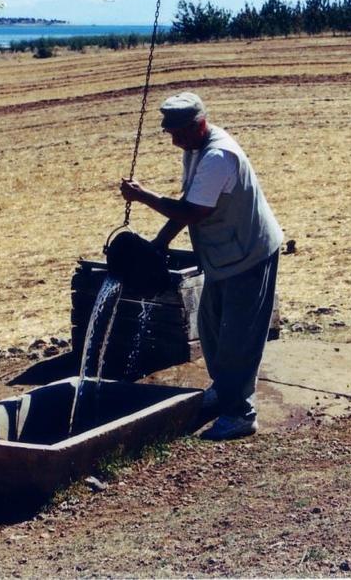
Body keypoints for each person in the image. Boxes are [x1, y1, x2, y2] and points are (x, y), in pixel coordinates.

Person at [120, 92, 283, 440]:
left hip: (248, 254)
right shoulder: (195, 150)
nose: (173, 139)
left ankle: (240, 413)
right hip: (224, 256)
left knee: (238, 338)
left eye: (177, 132)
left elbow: (194, 212)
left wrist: (143, 196)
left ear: (199, 125)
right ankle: (224, 389)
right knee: (210, 328)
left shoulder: (218, 156)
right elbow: (188, 202)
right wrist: (159, 244)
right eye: (169, 132)